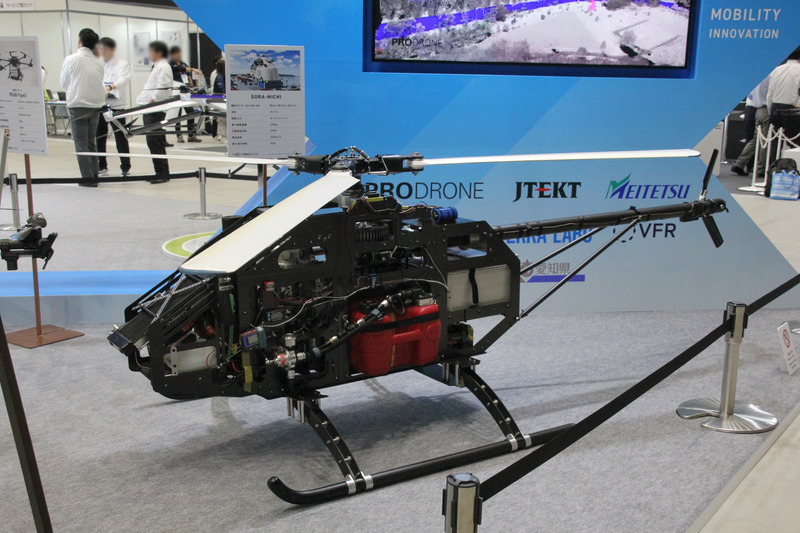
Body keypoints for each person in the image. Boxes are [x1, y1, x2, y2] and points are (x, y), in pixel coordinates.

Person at [59, 28, 105, 187]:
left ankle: (88, 179)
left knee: (81, 144)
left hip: (78, 104)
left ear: (80, 41)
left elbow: (64, 82)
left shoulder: (71, 59)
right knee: (91, 141)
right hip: (95, 104)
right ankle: (94, 175)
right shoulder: (98, 61)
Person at [136, 41, 173, 184]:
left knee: (154, 141)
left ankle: (162, 173)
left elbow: (163, 87)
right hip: (150, 107)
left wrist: (153, 101)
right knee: (154, 141)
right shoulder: (157, 66)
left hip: (155, 108)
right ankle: (160, 171)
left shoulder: (164, 67)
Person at [95, 37, 132, 177]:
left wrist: (110, 87)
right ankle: (102, 166)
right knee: (100, 136)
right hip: (101, 104)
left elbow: (123, 80)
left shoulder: (122, 64)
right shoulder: (99, 64)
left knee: (120, 137)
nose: (102, 52)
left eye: (105, 49)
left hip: (117, 106)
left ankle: (125, 167)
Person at [766, 46, 800, 163]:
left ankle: (772, 168)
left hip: (775, 107)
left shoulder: (777, 70)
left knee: (774, 143)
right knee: (795, 143)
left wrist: (770, 110)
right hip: (792, 109)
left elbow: (770, 93)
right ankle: (794, 168)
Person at [731, 75, 770, 177]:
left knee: (753, 139)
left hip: (749, 107)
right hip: (763, 108)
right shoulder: (770, 74)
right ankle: (761, 169)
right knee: (763, 140)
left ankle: (740, 164)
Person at [169, 45, 201, 143]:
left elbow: (188, 75)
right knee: (178, 115)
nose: (179, 55)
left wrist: (191, 85)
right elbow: (181, 69)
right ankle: (179, 135)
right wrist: (193, 69)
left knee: (190, 113)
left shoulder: (184, 64)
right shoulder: (171, 65)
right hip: (177, 92)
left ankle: (191, 134)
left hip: (186, 91)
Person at [213, 58, 227, 142]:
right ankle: (223, 136)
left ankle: (224, 136)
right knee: (221, 119)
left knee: (223, 119)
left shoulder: (222, 77)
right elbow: (221, 90)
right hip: (219, 101)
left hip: (222, 101)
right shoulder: (219, 77)